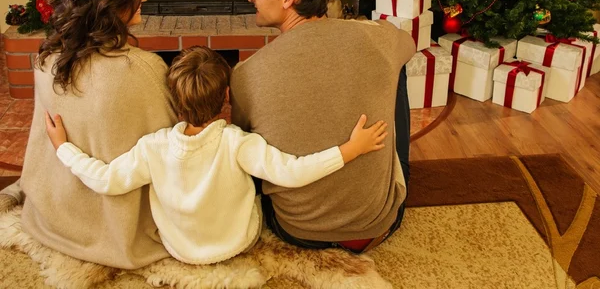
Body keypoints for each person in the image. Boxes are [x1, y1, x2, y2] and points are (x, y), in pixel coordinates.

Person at [44, 46, 389, 265]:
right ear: (226, 96)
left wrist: (64, 148)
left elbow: (106, 180)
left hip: (180, 249)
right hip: (238, 242)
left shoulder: (153, 147)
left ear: (174, 101)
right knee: (266, 186)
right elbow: (292, 172)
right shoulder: (238, 143)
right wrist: (349, 150)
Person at [230, 0, 416, 253]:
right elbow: (408, 44)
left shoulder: (245, 73)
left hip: (297, 229)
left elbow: (245, 154)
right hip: (376, 223)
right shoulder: (378, 38)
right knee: (396, 68)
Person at [18, 0, 178, 269]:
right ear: (112, 3)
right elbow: (170, 149)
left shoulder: (46, 60)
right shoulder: (144, 70)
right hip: (118, 230)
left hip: (53, 213)